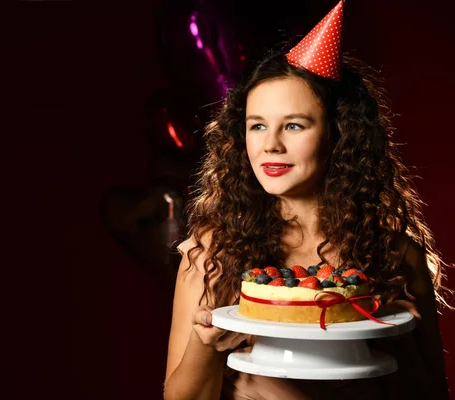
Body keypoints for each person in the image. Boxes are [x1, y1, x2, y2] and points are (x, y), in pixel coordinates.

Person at [163, 1, 453, 399]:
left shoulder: (394, 254)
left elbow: (430, 392)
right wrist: (205, 343)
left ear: (338, 134)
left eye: (294, 125)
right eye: (258, 126)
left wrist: (395, 333)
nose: (271, 145)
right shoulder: (213, 250)